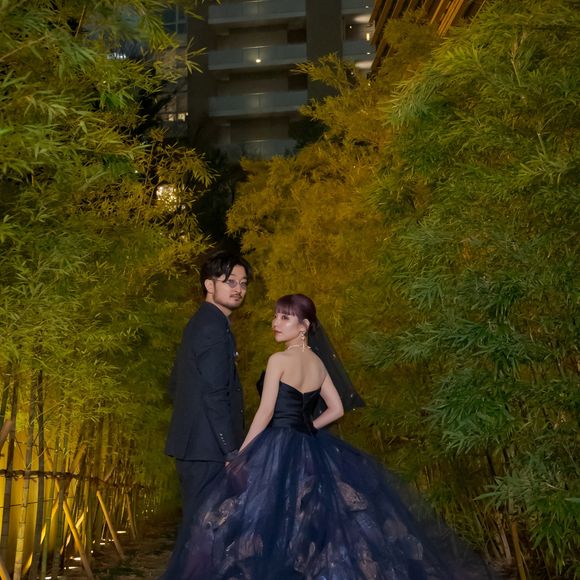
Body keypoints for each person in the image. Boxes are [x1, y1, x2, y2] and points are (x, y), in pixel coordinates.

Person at [171, 293, 499, 579]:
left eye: (285, 317)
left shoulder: (278, 360)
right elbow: (337, 408)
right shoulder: (318, 364)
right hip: (310, 445)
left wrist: (242, 454)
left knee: (265, 520)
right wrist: (309, 428)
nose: (275, 323)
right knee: (314, 523)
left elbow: (265, 412)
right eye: (275, 316)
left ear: (304, 326)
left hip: (277, 444)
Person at [163, 251, 251, 577]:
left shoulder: (204, 322)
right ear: (209, 285)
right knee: (203, 538)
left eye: (243, 283)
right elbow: (215, 394)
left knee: (200, 535)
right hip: (208, 449)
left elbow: (175, 384)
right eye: (230, 282)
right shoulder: (213, 327)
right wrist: (230, 450)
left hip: (198, 445)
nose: (238, 289)